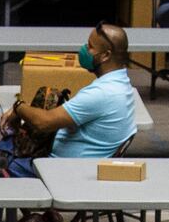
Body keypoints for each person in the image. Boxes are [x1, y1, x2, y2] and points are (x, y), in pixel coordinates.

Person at [11, 23, 137, 162]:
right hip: (73, 163)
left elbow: (43, 122)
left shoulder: (102, 93)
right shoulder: (121, 83)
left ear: (105, 55)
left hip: (59, 168)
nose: (84, 49)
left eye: (90, 46)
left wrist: (18, 107)